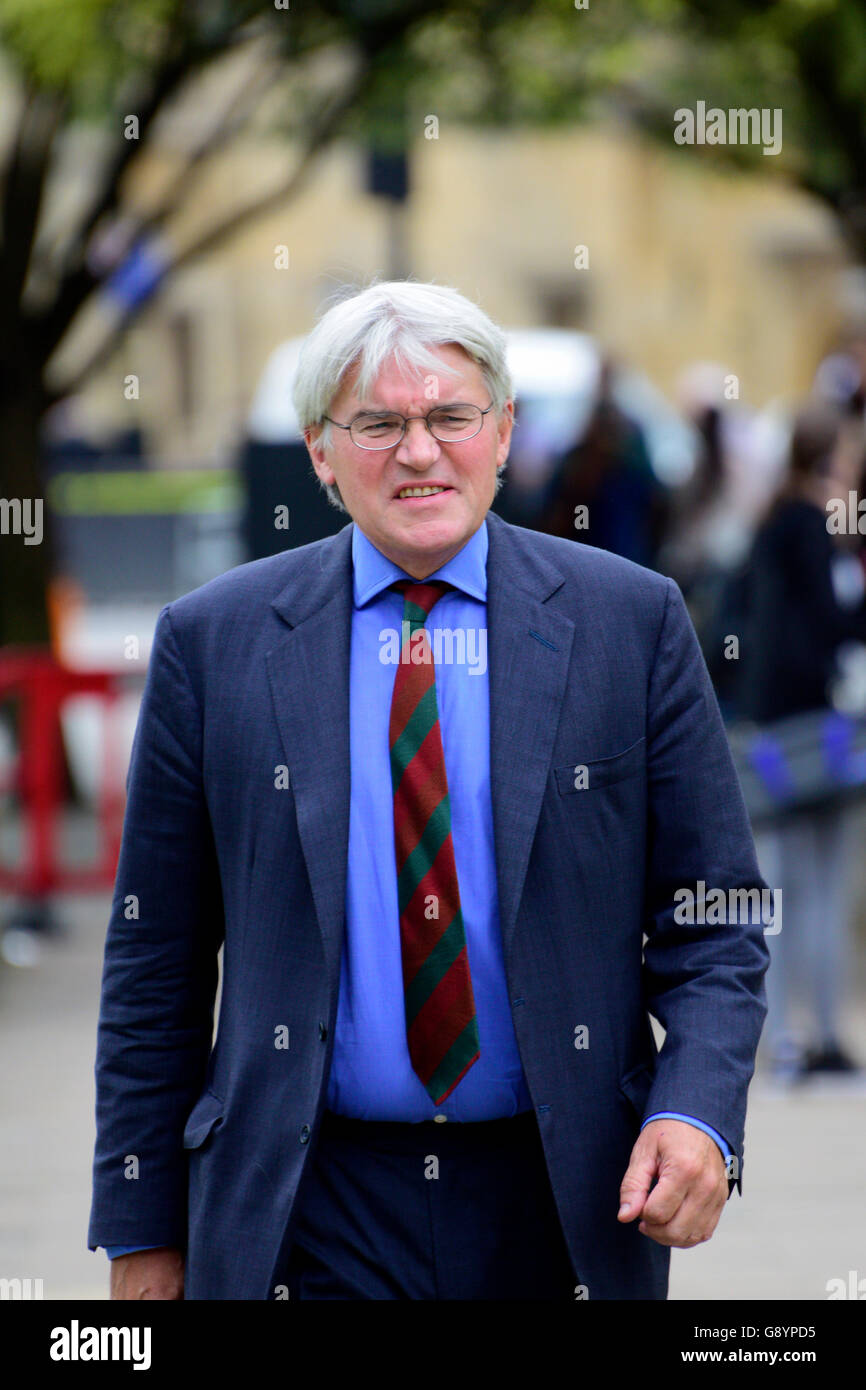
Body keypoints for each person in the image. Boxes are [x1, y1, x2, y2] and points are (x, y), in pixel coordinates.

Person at [88, 280, 769, 1301]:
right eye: (377, 423)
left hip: (567, 1198)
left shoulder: (631, 624)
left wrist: (699, 1112)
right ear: (319, 450)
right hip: (304, 1210)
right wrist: (141, 1230)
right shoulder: (212, 642)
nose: (418, 451)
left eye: (450, 416)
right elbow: (156, 959)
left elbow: (715, 918)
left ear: (501, 432)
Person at [736, 402, 866, 1079]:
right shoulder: (812, 529)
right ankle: (809, 1035)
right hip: (818, 729)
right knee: (814, 887)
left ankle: (786, 1034)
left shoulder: (768, 522)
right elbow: (832, 624)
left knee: (779, 889)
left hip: (772, 728)